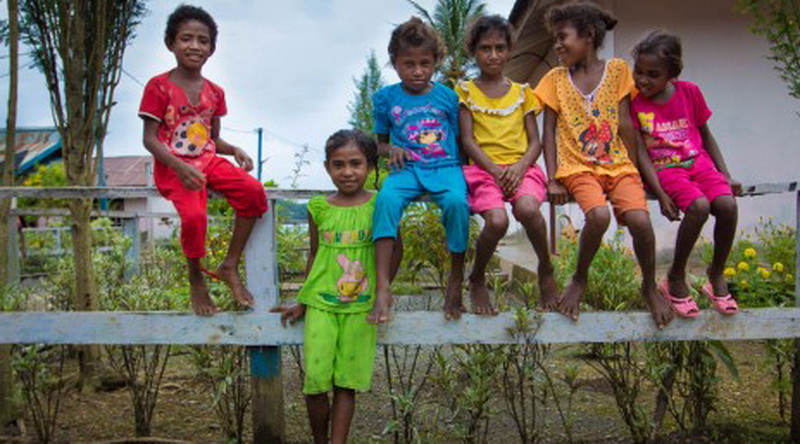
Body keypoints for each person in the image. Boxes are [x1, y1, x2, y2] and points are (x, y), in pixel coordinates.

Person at [534, 1, 675, 328]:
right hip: (576, 167)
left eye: (562, 37)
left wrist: (636, 171)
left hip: (619, 165)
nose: (557, 45)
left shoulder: (618, 71)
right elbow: (549, 130)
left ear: (588, 35)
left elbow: (627, 124)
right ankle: (579, 279)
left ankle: (649, 286)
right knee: (597, 215)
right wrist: (554, 178)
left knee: (640, 221)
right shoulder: (555, 79)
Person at [139, 5, 266, 315]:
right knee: (195, 217)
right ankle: (196, 278)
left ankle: (229, 266)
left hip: (207, 162)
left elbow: (211, 139)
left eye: (202, 40)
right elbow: (150, 139)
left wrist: (234, 149)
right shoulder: (159, 86)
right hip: (174, 167)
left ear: (212, 48)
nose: (194, 46)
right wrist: (180, 167)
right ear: (170, 43)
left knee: (254, 193)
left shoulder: (215, 92)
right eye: (186, 38)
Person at [272, 129, 379, 444]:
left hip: (360, 306)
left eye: (356, 163)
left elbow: (393, 248)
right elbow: (315, 255)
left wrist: (383, 293)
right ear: (327, 167)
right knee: (316, 381)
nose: (347, 172)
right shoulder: (318, 207)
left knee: (346, 384)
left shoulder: (380, 204)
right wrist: (302, 301)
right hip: (320, 304)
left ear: (370, 166)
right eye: (338, 164)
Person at [631, 30, 740, 316]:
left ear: (672, 73)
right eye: (638, 71)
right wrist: (659, 192)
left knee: (727, 204)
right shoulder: (634, 103)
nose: (642, 79)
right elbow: (641, 151)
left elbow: (705, 134)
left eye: (652, 74)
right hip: (666, 170)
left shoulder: (689, 92)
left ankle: (716, 273)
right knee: (699, 206)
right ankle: (675, 277)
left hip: (700, 163)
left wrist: (724, 174)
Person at [369, 17, 471, 323]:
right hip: (406, 170)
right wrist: (391, 150)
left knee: (456, 203)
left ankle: (455, 278)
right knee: (385, 201)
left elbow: (461, 141)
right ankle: (383, 287)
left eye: (425, 63)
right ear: (395, 63)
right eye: (408, 64)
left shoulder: (448, 97)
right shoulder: (385, 99)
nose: (417, 71)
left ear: (436, 62)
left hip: (445, 166)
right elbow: (379, 145)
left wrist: (466, 176)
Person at [457, 15, 559, 313]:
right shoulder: (465, 92)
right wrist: (494, 169)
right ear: (474, 52)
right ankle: (476, 277)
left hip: (521, 168)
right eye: (485, 48)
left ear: (510, 50)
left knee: (528, 209)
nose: (493, 55)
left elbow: (535, 142)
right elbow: (468, 141)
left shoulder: (522, 93)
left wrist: (518, 168)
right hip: (483, 170)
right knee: (497, 221)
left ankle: (546, 267)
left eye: (500, 48)